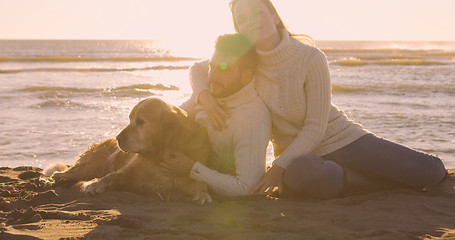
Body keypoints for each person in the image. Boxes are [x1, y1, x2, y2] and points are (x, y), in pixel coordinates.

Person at [186, 0, 447, 199]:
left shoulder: (310, 58)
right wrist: (205, 97)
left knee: (430, 173)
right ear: (239, 28)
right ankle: (366, 181)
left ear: (274, 16)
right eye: (242, 19)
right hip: (300, 159)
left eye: (257, 12)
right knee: (302, 176)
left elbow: (316, 128)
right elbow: (197, 69)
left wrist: (276, 167)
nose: (251, 21)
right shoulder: (246, 61)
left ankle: (374, 176)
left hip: (343, 141)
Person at [160, 33, 272, 197]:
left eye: (224, 69)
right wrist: (204, 98)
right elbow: (196, 67)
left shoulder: (251, 118)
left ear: (246, 76)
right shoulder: (208, 95)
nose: (212, 76)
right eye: (212, 66)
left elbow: (245, 188)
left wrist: (192, 169)